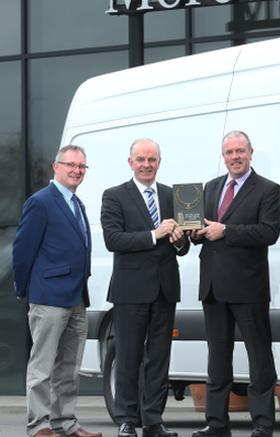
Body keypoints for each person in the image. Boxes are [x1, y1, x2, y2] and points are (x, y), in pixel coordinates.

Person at [190, 131, 280, 437]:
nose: (235, 157)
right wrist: (192, 233)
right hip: (214, 287)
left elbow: (269, 232)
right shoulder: (211, 187)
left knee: (259, 357)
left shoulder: (268, 190)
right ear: (223, 155)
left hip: (248, 288)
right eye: (229, 152)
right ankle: (216, 423)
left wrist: (226, 231)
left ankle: (263, 424)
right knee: (217, 359)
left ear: (251, 152)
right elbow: (202, 228)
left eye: (240, 151)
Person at [12, 145, 102, 437]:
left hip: (77, 298)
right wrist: (25, 291)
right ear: (56, 166)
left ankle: (65, 422)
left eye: (82, 167)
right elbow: (23, 250)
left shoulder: (77, 203)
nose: (77, 170)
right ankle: (39, 424)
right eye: (71, 165)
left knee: (69, 367)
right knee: (42, 366)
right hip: (48, 297)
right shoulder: (41, 202)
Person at [101, 138, 188, 437]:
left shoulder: (171, 195)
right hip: (130, 290)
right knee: (128, 356)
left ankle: (153, 420)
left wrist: (179, 240)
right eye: (141, 159)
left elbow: (182, 244)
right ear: (130, 162)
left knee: (160, 358)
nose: (146, 164)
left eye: (152, 159)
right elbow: (114, 239)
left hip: (165, 290)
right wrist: (155, 234)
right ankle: (126, 419)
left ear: (159, 162)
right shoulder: (114, 196)